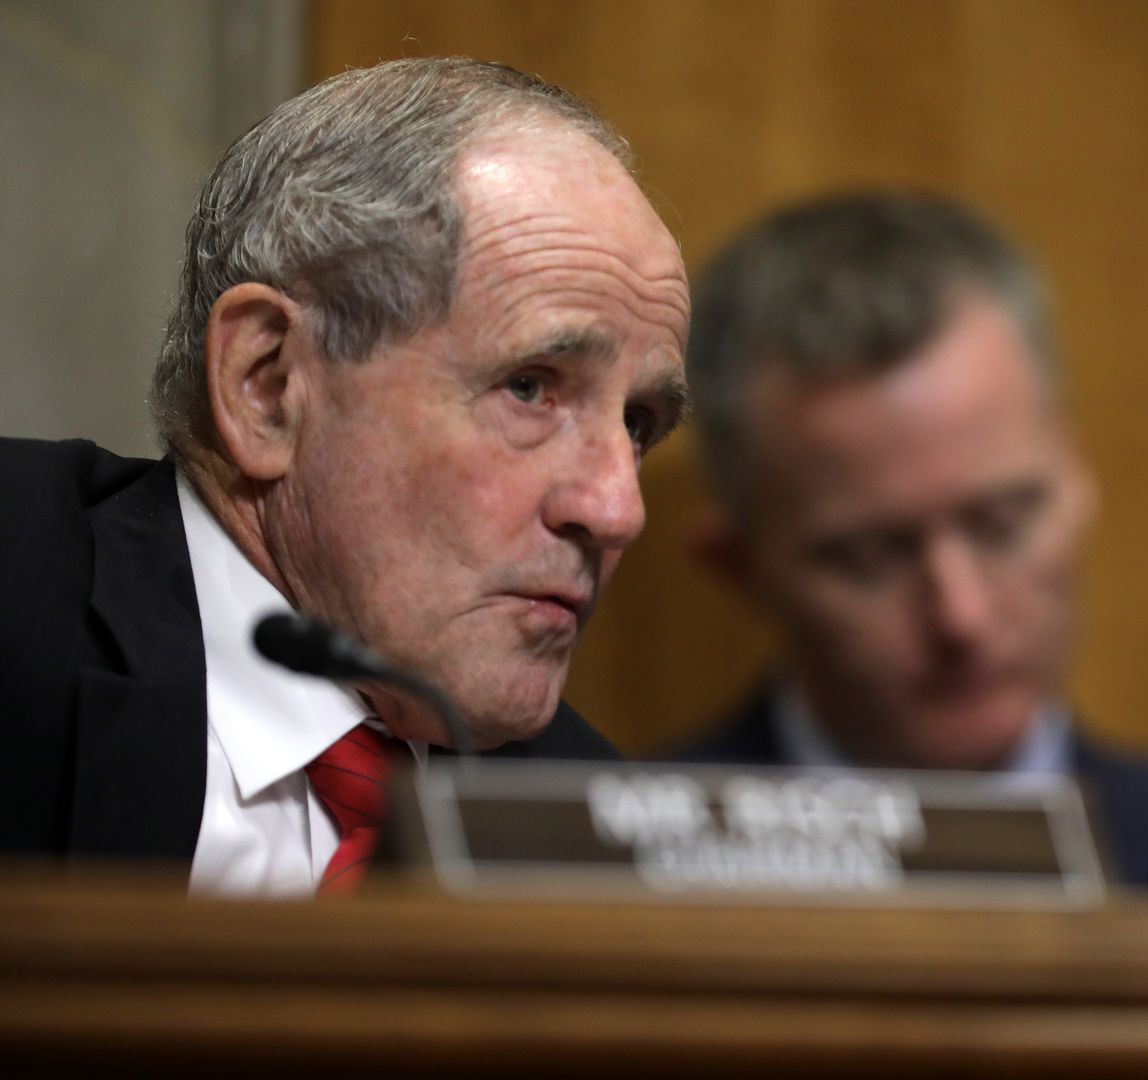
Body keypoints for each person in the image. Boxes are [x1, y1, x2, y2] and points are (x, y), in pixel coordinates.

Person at [0, 58, 691, 895]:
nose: (618, 509)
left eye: (638, 424)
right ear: (268, 384)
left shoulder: (598, 847)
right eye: (531, 387)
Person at [668, 193, 1148, 884]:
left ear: (1076, 480)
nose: (962, 617)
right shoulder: (615, 873)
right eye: (871, 556)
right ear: (740, 567)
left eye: (1002, 522)